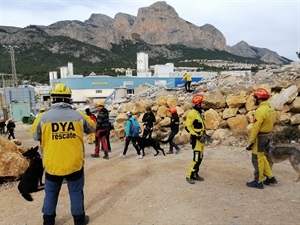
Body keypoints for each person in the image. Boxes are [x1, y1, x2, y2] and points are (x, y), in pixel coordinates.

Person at [30, 83, 95, 225]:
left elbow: (35, 136)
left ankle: (48, 221)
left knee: (51, 193)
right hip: (74, 164)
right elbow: (92, 128)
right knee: (76, 192)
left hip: (52, 164)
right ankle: (79, 220)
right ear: (69, 98)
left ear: (52, 99)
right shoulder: (78, 115)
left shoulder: (42, 117)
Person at [245, 88, 277, 189]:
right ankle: (270, 177)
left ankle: (258, 181)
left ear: (259, 99)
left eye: (254, 98)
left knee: (257, 159)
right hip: (267, 136)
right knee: (262, 157)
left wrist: (251, 141)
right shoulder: (271, 107)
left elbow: (255, 128)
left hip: (260, 137)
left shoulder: (260, 110)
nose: (253, 100)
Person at [185, 94, 206, 184]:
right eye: (202, 103)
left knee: (200, 157)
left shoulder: (199, 112)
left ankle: (195, 174)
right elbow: (187, 127)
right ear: (198, 104)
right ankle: (189, 175)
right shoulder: (192, 113)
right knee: (196, 158)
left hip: (201, 138)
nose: (204, 104)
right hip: (197, 139)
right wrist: (197, 136)